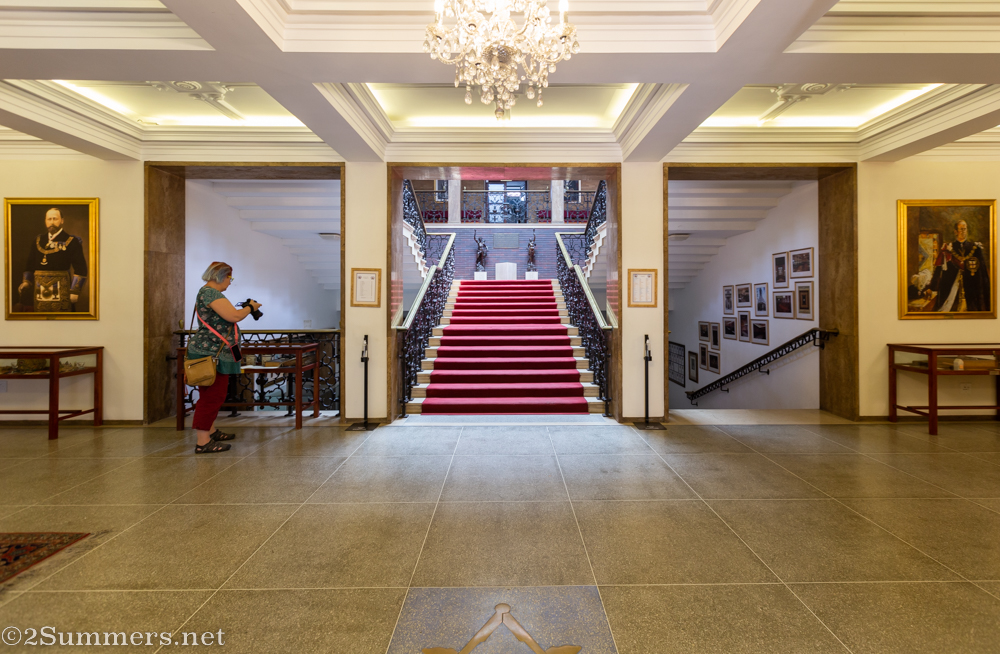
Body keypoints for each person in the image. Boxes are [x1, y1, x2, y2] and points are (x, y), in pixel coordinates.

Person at [186, 262, 261, 454]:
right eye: (230, 278)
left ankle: (210, 431)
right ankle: (203, 442)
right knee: (213, 396)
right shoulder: (211, 293)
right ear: (221, 276)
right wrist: (251, 307)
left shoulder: (207, 292)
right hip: (212, 353)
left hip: (212, 351)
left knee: (209, 394)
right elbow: (234, 316)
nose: (230, 282)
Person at [18, 207, 88, 312]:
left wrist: (75, 291)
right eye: (49, 219)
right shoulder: (38, 240)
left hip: (62, 289)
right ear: (45, 221)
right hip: (39, 290)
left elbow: (80, 267)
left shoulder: (72, 241)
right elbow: (30, 264)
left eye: (55, 219)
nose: (52, 222)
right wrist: (26, 282)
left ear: (62, 221)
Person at [930, 220, 990, 312]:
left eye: (965, 229)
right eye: (961, 229)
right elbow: (939, 270)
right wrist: (932, 287)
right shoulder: (948, 247)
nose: (963, 231)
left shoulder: (974, 248)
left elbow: (982, 271)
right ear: (955, 231)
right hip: (951, 288)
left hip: (970, 286)